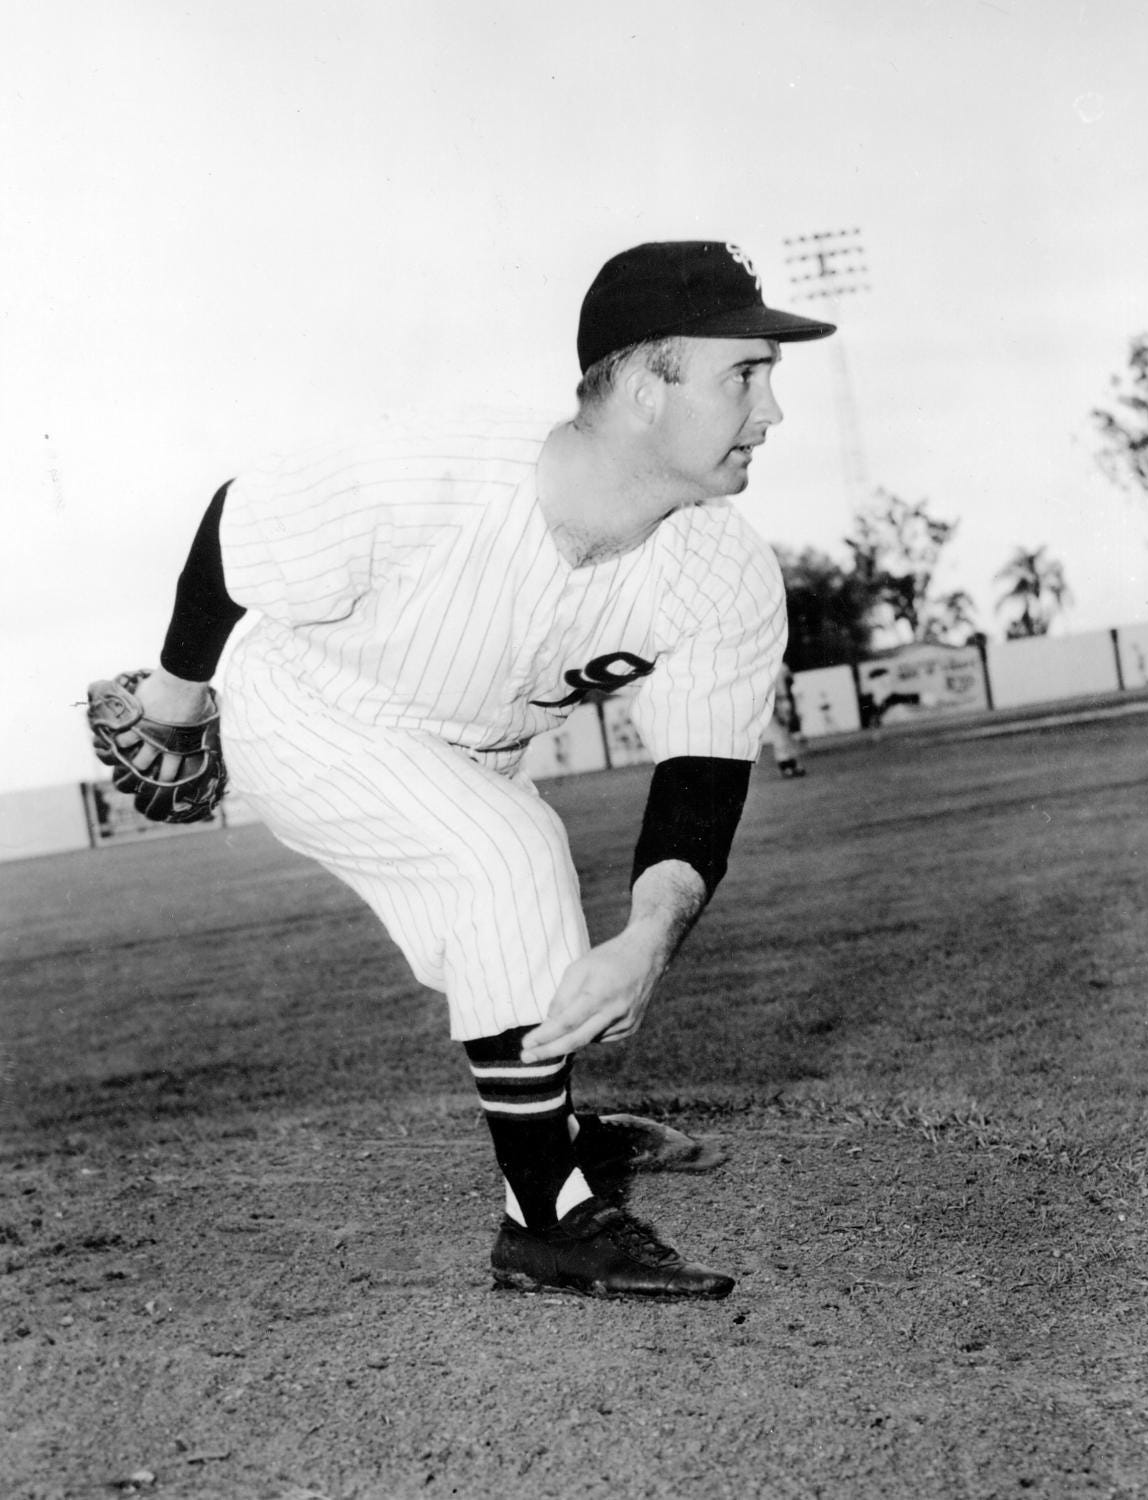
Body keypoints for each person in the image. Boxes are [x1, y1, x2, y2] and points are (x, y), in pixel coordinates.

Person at [133, 240, 834, 1300]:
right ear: (647, 386)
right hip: (309, 706)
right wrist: (174, 708)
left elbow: (699, 781)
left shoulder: (722, 572)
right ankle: (544, 1224)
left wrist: (648, 938)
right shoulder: (430, 470)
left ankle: (555, 1133)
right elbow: (236, 531)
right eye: (744, 373)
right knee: (506, 854)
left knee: (524, 927)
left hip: (475, 753)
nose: (771, 410)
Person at [766, 660, 807, 777]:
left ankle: (792, 764)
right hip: (775, 701)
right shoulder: (776, 666)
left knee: (786, 735)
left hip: (782, 699)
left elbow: (790, 682)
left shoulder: (779, 665)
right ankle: (785, 766)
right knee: (779, 735)